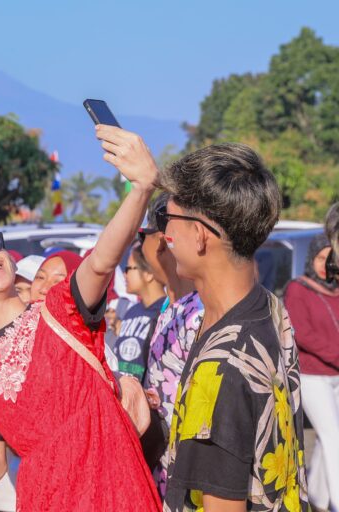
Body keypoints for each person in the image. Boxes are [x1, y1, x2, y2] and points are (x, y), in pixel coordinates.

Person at [0, 125, 162, 511]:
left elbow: (100, 261)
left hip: (113, 488)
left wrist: (141, 189)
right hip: (45, 498)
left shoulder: (59, 310)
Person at [159, 143, 308, 511]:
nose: (165, 236)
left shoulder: (220, 370)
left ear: (200, 235)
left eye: (167, 220)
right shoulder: (268, 309)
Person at [139, 193, 204, 498]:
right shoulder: (172, 305)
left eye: (144, 237)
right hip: (162, 472)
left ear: (164, 241)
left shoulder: (199, 311)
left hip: (191, 478)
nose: (141, 247)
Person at [284, 234, 339, 511]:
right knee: (334, 436)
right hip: (312, 374)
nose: (325, 265)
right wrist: (334, 353)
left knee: (327, 438)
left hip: (337, 374)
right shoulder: (298, 288)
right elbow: (302, 333)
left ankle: (318, 499)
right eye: (320, 258)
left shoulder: (336, 288)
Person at [113, 243, 166, 381]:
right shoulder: (132, 311)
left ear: (149, 273)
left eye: (129, 268)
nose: (124, 274)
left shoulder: (165, 312)